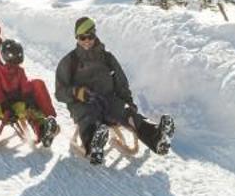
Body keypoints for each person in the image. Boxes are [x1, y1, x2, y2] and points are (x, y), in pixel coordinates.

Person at [53, 16, 173, 165]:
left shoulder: (107, 58)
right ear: (76, 38)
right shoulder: (69, 62)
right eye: (82, 37)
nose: (86, 41)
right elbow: (59, 92)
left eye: (90, 36)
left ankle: (157, 138)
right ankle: (94, 146)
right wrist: (76, 93)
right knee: (88, 117)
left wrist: (129, 104)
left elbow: (121, 83)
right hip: (83, 103)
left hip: (108, 100)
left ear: (95, 34)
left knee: (127, 114)